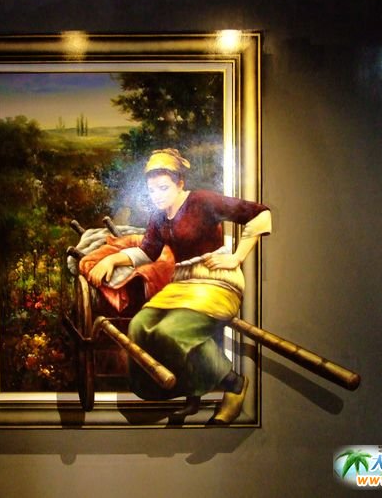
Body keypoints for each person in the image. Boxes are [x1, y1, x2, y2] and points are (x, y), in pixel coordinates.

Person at [87, 148, 271, 424]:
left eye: (163, 188)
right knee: (139, 326)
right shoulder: (159, 217)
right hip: (182, 283)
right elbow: (147, 251)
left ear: (180, 183)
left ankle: (233, 383)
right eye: (151, 191)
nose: (157, 196)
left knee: (170, 331)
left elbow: (260, 215)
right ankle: (177, 391)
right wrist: (113, 258)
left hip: (215, 280)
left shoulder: (202, 201)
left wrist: (237, 257)